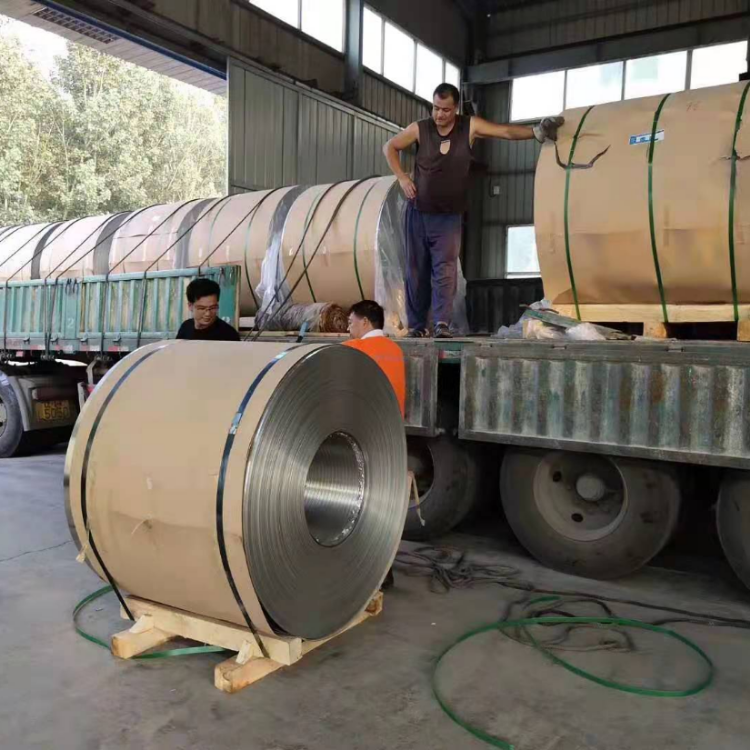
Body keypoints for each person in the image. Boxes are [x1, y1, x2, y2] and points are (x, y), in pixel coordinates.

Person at [384, 82, 564, 339]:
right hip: (418, 212)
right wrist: (402, 177)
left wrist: (535, 132)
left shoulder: (469, 127)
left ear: (456, 109)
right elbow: (389, 147)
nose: (439, 114)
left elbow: (504, 131)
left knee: (444, 271)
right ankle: (417, 326)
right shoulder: (420, 128)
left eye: (446, 110)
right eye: (436, 108)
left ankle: (441, 324)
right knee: (416, 271)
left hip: (448, 217)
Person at [343, 300, 405, 418]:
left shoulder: (353, 347)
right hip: (394, 424)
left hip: (365, 423)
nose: (348, 328)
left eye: (350, 322)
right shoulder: (396, 349)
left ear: (365, 321)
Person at [176, 278, 240, 341]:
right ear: (190, 306)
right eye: (202, 308)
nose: (208, 314)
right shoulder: (185, 328)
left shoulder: (229, 335)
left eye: (212, 308)